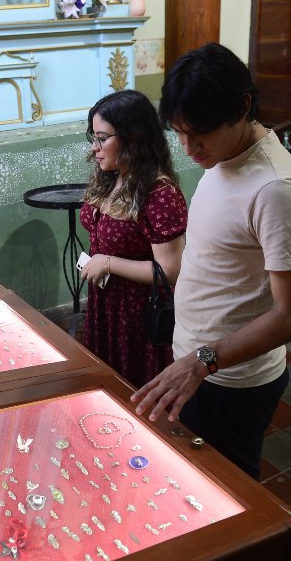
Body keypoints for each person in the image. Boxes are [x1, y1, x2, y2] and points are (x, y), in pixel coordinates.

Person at [130, 43, 291, 480]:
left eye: (200, 133)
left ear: (243, 107)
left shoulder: (275, 188)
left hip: (231, 381)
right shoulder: (224, 155)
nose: (189, 147)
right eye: (178, 132)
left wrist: (202, 361)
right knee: (191, 479)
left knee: (229, 494)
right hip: (196, 366)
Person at [79, 90, 188, 388]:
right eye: (94, 137)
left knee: (136, 388)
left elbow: (169, 270)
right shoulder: (111, 176)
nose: (95, 148)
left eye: (103, 138)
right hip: (107, 303)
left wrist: (109, 262)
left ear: (133, 137)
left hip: (139, 310)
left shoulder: (159, 194)